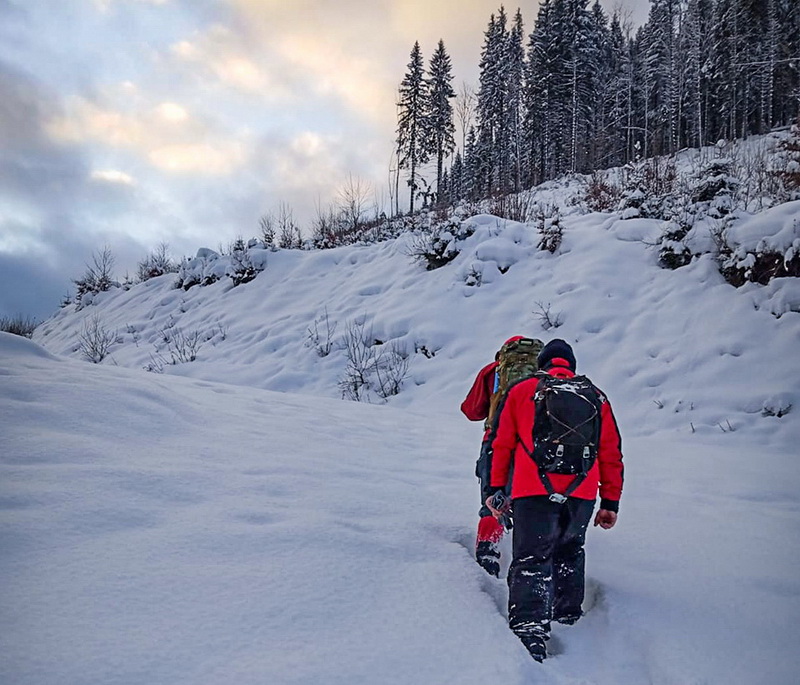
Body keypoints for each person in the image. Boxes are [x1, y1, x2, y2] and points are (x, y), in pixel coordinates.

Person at [485, 339, 624, 662]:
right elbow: (611, 453)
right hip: (582, 493)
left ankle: (530, 628)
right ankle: (568, 617)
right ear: (570, 366)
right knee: (570, 551)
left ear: (542, 364)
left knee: (531, 557)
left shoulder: (521, 391)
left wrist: (495, 489)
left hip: (531, 490)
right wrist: (610, 502)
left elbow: (502, 444)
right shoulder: (596, 396)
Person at [461, 335, 541, 576]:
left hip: (495, 441)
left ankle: (488, 554)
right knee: (531, 503)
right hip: (533, 447)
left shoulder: (493, 371)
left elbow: (471, 411)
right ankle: (529, 560)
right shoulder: (544, 375)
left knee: (492, 499)